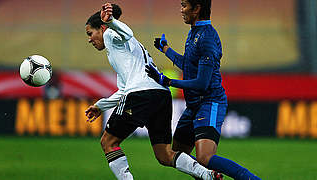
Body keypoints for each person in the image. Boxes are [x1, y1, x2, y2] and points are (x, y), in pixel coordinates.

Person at [84, 2, 219, 180]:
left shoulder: (110, 34)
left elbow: (126, 33)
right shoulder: (127, 51)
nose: (89, 39)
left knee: (108, 142)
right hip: (161, 95)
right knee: (164, 154)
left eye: (90, 34)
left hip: (141, 94)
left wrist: (111, 22)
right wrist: (101, 106)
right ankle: (206, 174)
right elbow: (124, 90)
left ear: (101, 28)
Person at [145, 0, 261, 180]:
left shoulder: (207, 38)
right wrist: (165, 49)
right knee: (177, 154)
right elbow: (188, 64)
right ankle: (210, 177)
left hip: (210, 102)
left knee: (204, 157)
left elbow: (202, 83)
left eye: (184, 5)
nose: (181, 10)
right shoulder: (194, 32)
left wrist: (167, 81)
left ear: (197, 8)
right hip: (193, 106)